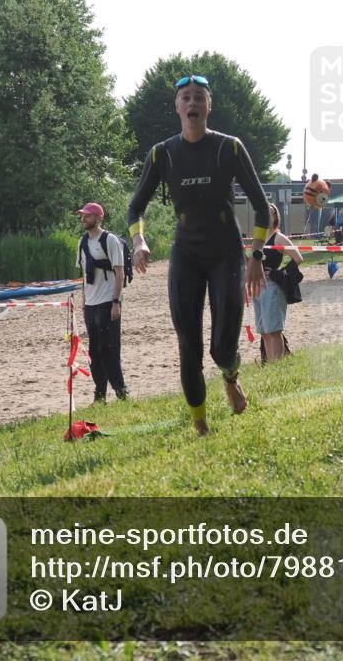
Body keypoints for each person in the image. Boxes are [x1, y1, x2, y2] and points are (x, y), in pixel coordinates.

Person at [128, 74, 271, 436]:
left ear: (209, 106)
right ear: (177, 106)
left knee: (222, 348)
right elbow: (135, 207)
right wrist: (139, 241)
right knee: (188, 344)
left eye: (199, 98)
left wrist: (256, 256)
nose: (192, 103)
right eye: (186, 98)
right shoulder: (162, 153)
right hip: (186, 255)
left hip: (226, 253)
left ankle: (230, 376)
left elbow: (261, 206)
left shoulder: (229, 148)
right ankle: (201, 425)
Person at [76, 202, 128, 404]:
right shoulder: (82, 242)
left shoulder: (110, 240)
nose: (83, 219)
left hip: (108, 302)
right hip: (90, 305)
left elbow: (120, 273)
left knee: (109, 351)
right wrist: (84, 302)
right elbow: (84, 275)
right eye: (82, 215)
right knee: (94, 353)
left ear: (99, 218)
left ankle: (122, 393)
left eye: (87, 215)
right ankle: (99, 397)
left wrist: (116, 302)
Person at [254, 204, 303, 364]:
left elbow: (298, 258)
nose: (265, 216)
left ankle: (278, 366)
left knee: (274, 330)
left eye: (269, 213)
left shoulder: (279, 237)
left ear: (275, 217)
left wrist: (279, 273)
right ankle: (270, 366)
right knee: (264, 331)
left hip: (272, 288)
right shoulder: (259, 239)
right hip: (258, 288)